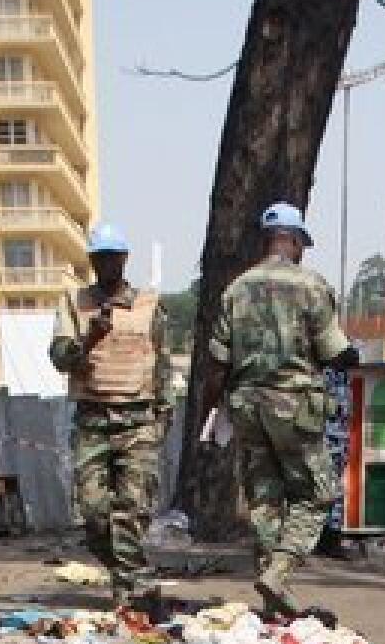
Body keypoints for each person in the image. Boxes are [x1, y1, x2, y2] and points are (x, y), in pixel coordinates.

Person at [200, 201, 359, 619]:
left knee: (264, 496)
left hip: (246, 406)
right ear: (297, 241)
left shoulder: (235, 289)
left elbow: (217, 363)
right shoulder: (312, 286)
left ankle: (272, 595)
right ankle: (280, 571)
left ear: (266, 240)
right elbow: (335, 351)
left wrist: (211, 411)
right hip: (294, 407)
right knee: (318, 493)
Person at [49, 221, 172, 612]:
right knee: (93, 513)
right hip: (93, 421)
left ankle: (128, 589)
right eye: (99, 259)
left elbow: (162, 363)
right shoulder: (75, 304)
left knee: (132, 511)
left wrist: (163, 416)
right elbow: (58, 359)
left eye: (112, 259)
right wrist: (89, 338)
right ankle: (134, 577)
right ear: (92, 261)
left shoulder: (148, 305)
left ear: (124, 260)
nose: (107, 266)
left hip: (138, 420)